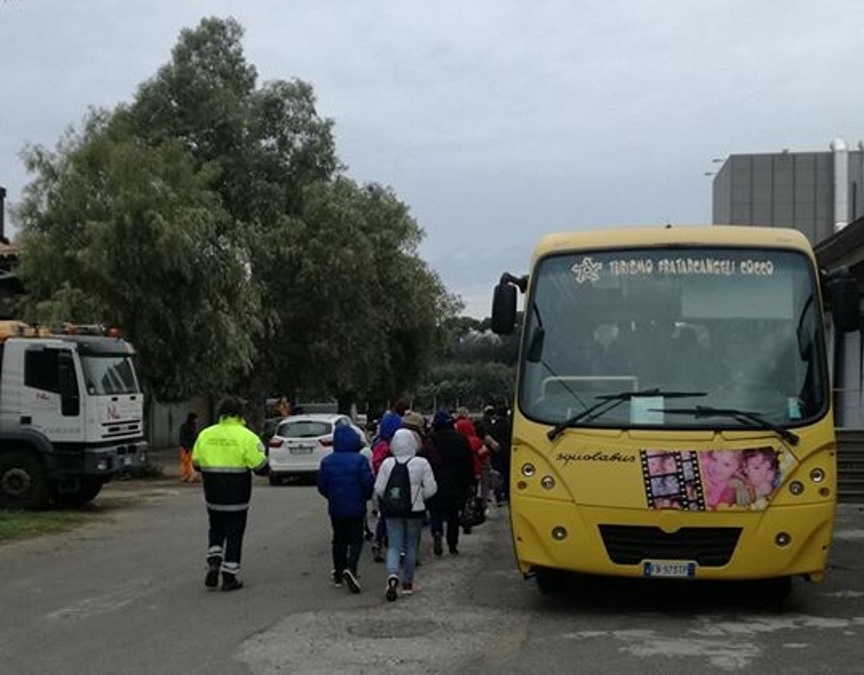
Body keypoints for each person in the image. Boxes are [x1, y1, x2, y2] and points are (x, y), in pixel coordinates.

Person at [192, 397, 269, 591]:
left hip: (213, 494)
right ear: (240, 414)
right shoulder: (247, 437)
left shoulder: (205, 434)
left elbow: (195, 464)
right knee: (235, 532)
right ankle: (229, 576)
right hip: (238, 495)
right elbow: (260, 467)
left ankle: (214, 560)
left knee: (215, 528)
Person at [374, 429, 437, 601]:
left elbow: (379, 488)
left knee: (394, 545)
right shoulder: (422, 463)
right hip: (414, 511)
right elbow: (432, 488)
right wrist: (419, 497)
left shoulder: (387, 463)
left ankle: (392, 575)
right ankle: (408, 583)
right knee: (411, 546)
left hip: (392, 510)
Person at [317, 425, 374, 593]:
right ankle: (352, 567)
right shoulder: (360, 460)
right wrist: (366, 496)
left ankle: (338, 572)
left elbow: (322, 486)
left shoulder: (327, 461)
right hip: (357, 505)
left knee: (339, 538)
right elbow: (367, 482)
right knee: (356, 539)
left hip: (336, 506)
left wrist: (331, 496)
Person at [427, 411, 474, 556]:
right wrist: (469, 484)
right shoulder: (461, 439)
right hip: (456, 483)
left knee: (435, 511)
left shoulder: (431, 440)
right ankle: (452, 544)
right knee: (453, 514)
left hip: (434, 482)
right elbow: (468, 463)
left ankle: (436, 532)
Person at [370, 411, 404, 562]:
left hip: (382, 484)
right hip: (396, 484)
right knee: (398, 515)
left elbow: (375, 464)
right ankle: (397, 546)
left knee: (384, 514)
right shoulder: (397, 445)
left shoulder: (378, 443)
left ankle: (378, 542)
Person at [178, 413, 199, 483]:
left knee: (188, 462)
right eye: (195, 419)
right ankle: (188, 476)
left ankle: (188, 476)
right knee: (187, 462)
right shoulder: (187, 427)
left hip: (189, 446)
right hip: (186, 447)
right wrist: (186, 446)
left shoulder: (191, 426)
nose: (196, 420)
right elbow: (183, 438)